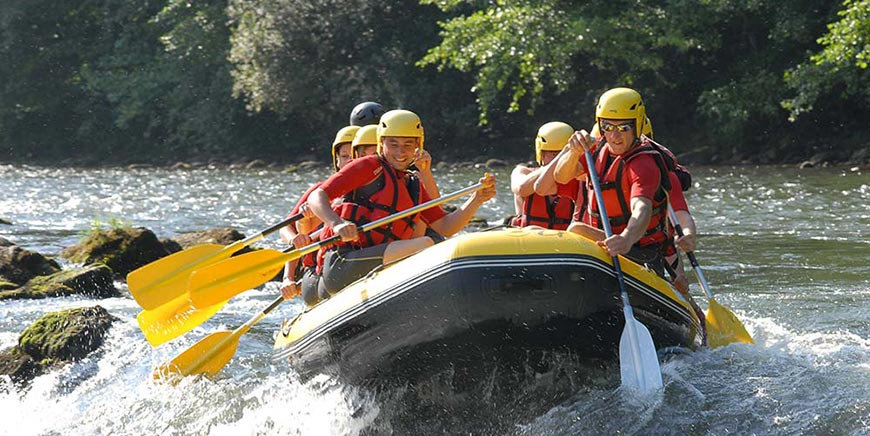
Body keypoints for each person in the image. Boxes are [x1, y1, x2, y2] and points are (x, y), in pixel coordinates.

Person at [308, 109, 496, 296]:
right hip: (343, 263)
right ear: (381, 142)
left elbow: (445, 226)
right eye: (393, 144)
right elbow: (317, 196)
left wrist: (476, 199)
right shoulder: (367, 166)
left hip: (379, 265)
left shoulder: (413, 184)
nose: (400, 152)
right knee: (425, 243)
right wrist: (337, 223)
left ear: (418, 146)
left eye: (408, 145)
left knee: (433, 241)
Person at [554, 87, 671, 276]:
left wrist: (626, 238)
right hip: (606, 244)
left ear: (637, 125)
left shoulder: (643, 164)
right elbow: (561, 176)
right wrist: (573, 153)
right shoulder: (596, 149)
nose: (614, 136)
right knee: (576, 229)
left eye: (623, 128)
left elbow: (642, 209)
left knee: (577, 229)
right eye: (608, 127)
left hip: (640, 252)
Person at [279, 125, 360, 304]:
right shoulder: (319, 192)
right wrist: (288, 278)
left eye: (355, 157)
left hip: (350, 262)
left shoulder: (376, 191)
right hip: (318, 269)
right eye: (345, 157)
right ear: (337, 160)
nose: (350, 162)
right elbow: (287, 227)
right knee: (303, 226)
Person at [509, 121, 579, 230]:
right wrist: (560, 158)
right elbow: (522, 189)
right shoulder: (522, 172)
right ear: (541, 154)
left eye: (563, 153)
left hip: (564, 242)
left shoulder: (579, 180)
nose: (559, 158)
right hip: (530, 240)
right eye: (553, 154)